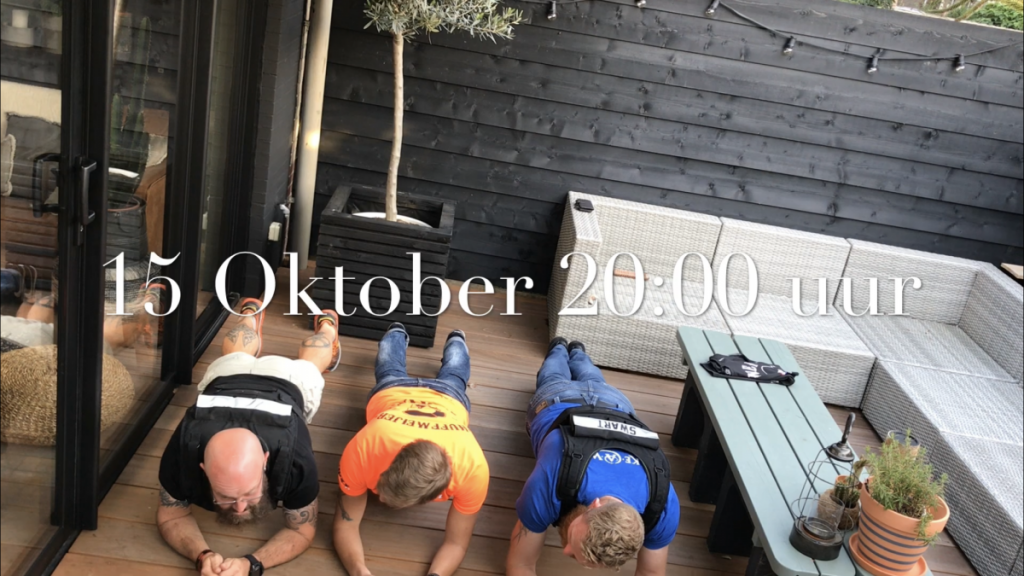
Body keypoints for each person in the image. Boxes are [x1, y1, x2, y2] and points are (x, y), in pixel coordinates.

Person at [156, 299, 343, 576]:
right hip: (227, 381)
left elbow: (303, 530)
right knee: (243, 357)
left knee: (310, 365)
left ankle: (322, 326)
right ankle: (255, 315)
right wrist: (202, 555)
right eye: (226, 496)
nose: (240, 506)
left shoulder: (295, 456)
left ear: (266, 460)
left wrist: (251, 564)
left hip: (287, 382)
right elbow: (170, 515)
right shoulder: (183, 446)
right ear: (203, 468)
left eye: (249, 492)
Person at [506, 338, 680, 575]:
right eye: (573, 542)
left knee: (593, 377)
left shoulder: (662, 504)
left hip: (614, 402)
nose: (566, 550)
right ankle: (559, 348)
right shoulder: (552, 478)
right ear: (594, 505)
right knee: (552, 375)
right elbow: (520, 565)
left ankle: (578, 352)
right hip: (558, 398)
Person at [334, 322, 489, 576]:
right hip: (397, 394)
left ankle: (452, 339)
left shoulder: (473, 469)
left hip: (444, 398)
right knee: (391, 367)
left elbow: (457, 543)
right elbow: (345, 526)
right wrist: (358, 571)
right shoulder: (364, 449)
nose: (379, 499)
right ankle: (401, 333)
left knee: (452, 375)